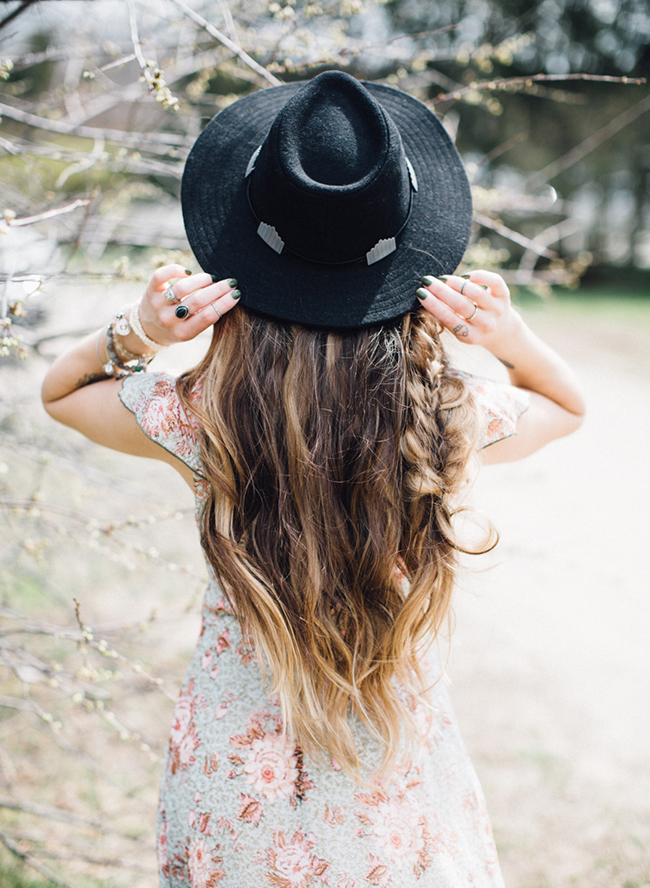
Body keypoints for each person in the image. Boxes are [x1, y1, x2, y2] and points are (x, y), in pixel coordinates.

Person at [42, 72, 584, 887]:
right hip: (392, 782)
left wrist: (140, 331)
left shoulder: (206, 415)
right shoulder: (438, 419)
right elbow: (565, 406)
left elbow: (61, 393)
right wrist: (507, 334)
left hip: (235, 785)